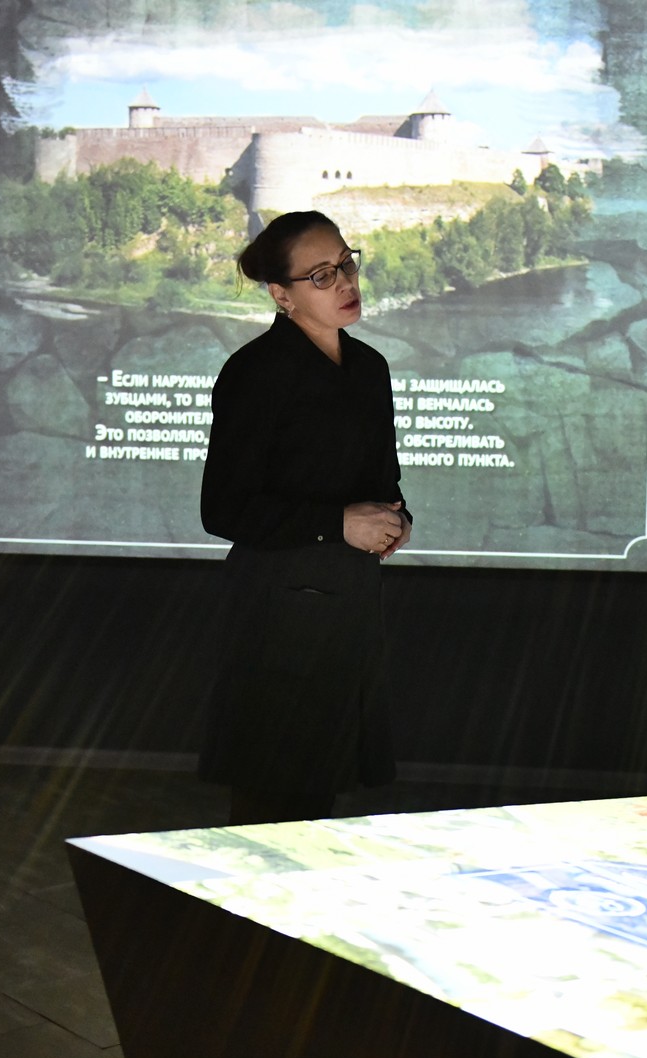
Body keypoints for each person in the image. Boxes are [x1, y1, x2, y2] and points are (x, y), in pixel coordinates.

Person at [200, 210, 412, 825]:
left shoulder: (369, 367)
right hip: (277, 609)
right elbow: (223, 509)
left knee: (323, 797)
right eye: (321, 275)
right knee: (271, 800)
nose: (345, 282)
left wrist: (397, 521)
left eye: (346, 264)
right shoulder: (254, 373)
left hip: (349, 599)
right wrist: (337, 523)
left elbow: (384, 484)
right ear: (281, 295)